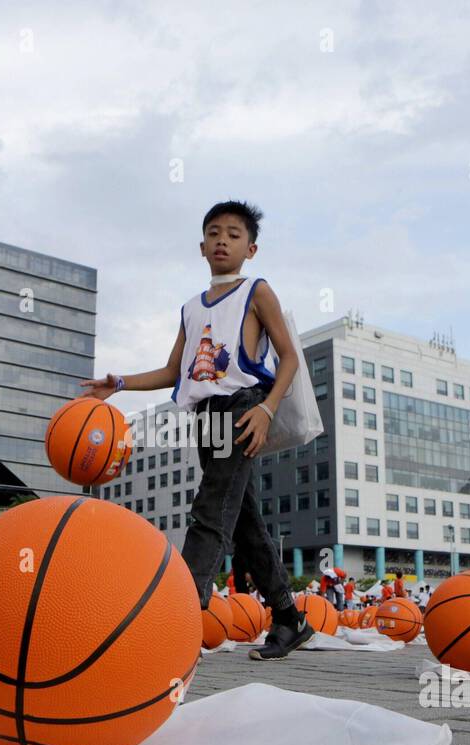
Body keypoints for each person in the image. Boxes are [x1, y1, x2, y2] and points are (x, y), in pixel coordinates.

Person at [79, 199, 313, 661]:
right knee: (243, 522)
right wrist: (120, 383)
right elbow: (173, 371)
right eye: (213, 232)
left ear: (252, 248)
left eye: (233, 233)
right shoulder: (190, 308)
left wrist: (267, 409)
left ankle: (177, 614)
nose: (222, 239)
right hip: (205, 418)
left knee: (209, 510)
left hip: (243, 409)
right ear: (201, 245)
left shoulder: (257, 291)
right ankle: (289, 618)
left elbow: (288, 357)